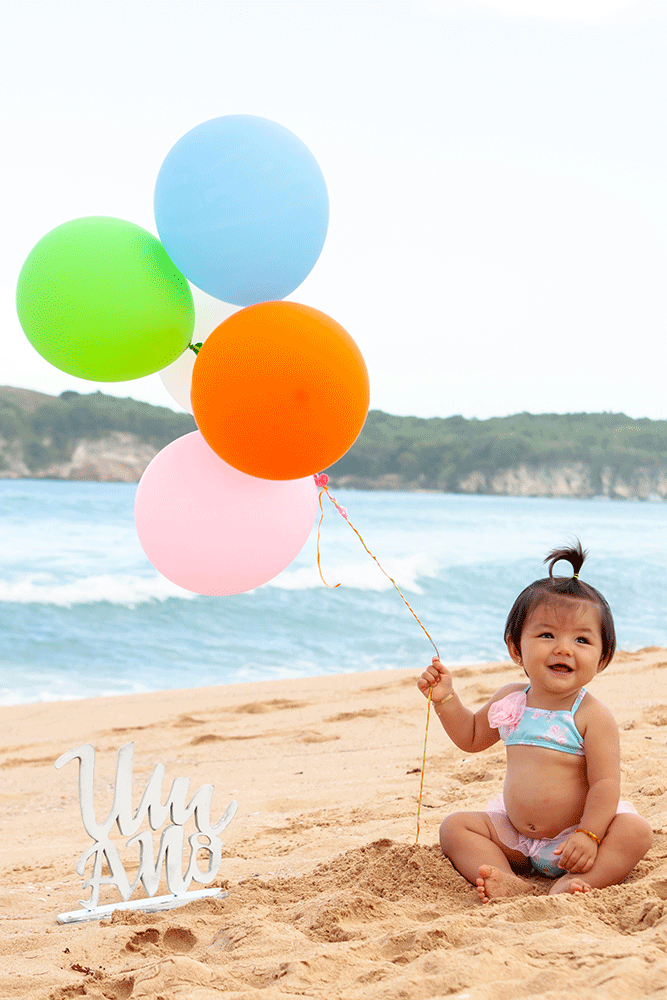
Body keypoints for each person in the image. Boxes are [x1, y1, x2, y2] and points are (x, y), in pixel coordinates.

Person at [417, 541, 652, 903]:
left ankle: (575, 881)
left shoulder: (591, 714)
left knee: (635, 832)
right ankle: (509, 879)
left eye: (582, 639)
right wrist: (445, 699)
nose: (563, 648)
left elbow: (605, 784)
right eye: (546, 635)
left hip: (577, 838)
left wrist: (589, 835)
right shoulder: (511, 698)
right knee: (455, 827)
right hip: (519, 839)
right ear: (515, 648)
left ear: (602, 658)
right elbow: (472, 736)